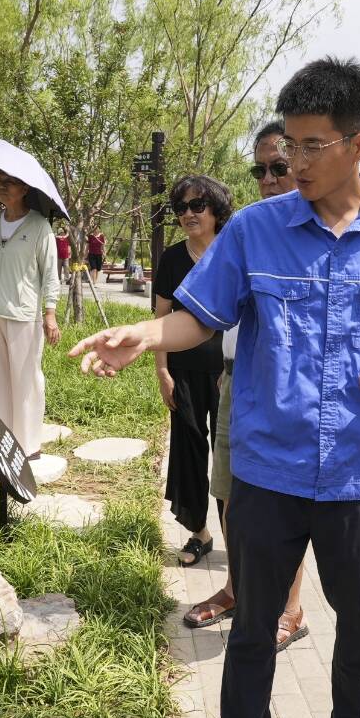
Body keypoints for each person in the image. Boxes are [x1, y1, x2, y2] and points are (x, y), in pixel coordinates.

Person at [71, 57, 360, 718]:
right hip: (268, 469)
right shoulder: (253, 232)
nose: (296, 164)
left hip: (359, 471)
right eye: (288, 150)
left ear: (359, 145)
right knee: (251, 628)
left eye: (314, 147)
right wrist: (147, 335)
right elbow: (199, 315)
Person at [183, 120, 310, 654]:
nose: (267, 179)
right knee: (231, 498)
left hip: (286, 391)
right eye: (259, 170)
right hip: (236, 380)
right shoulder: (249, 230)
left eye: (278, 167)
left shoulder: (312, 236)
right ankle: (238, 587)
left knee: (285, 503)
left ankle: (290, 609)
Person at [154, 175, 229, 566]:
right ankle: (199, 532)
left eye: (197, 206)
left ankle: (238, 536)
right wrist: (162, 371)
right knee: (189, 449)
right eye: (180, 208)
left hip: (227, 373)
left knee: (229, 452)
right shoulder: (172, 259)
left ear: (216, 210)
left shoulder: (233, 251)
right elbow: (162, 317)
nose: (188, 214)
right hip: (182, 371)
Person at [0, 171, 61, 460]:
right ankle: (1, 440)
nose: (2, 188)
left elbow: (50, 274)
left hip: (24, 313)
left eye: (9, 183)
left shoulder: (39, 226)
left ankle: (29, 445)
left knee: (26, 379)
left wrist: (50, 314)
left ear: (24, 187)